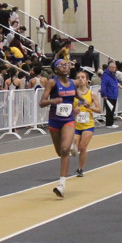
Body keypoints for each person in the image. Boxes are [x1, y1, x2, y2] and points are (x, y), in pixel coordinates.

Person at [39, 58, 77, 197]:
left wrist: (83, 102)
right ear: (56, 69)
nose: (65, 67)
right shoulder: (52, 82)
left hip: (69, 120)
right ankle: (71, 143)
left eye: (66, 64)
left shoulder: (73, 83)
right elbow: (41, 102)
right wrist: (52, 100)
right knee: (60, 152)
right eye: (61, 65)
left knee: (64, 150)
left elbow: (79, 95)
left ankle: (61, 185)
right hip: (55, 121)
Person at [72, 68, 101, 177]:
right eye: (78, 77)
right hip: (76, 125)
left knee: (83, 147)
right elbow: (69, 108)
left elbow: (99, 109)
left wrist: (90, 107)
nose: (80, 79)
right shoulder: (73, 94)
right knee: (74, 147)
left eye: (83, 77)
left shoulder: (92, 94)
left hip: (88, 125)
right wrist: (73, 111)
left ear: (87, 80)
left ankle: (80, 169)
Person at [100, 60, 120, 128]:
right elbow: (104, 85)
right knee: (109, 110)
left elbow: (115, 82)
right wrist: (104, 94)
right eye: (113, 67)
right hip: (109, 95)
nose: (114, 69)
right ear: (110, 67)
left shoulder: (113, 75)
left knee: (112, 109)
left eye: (115, 67)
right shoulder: (106, 75)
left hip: (114, 94)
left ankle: (111, 123)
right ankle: (109, 123)